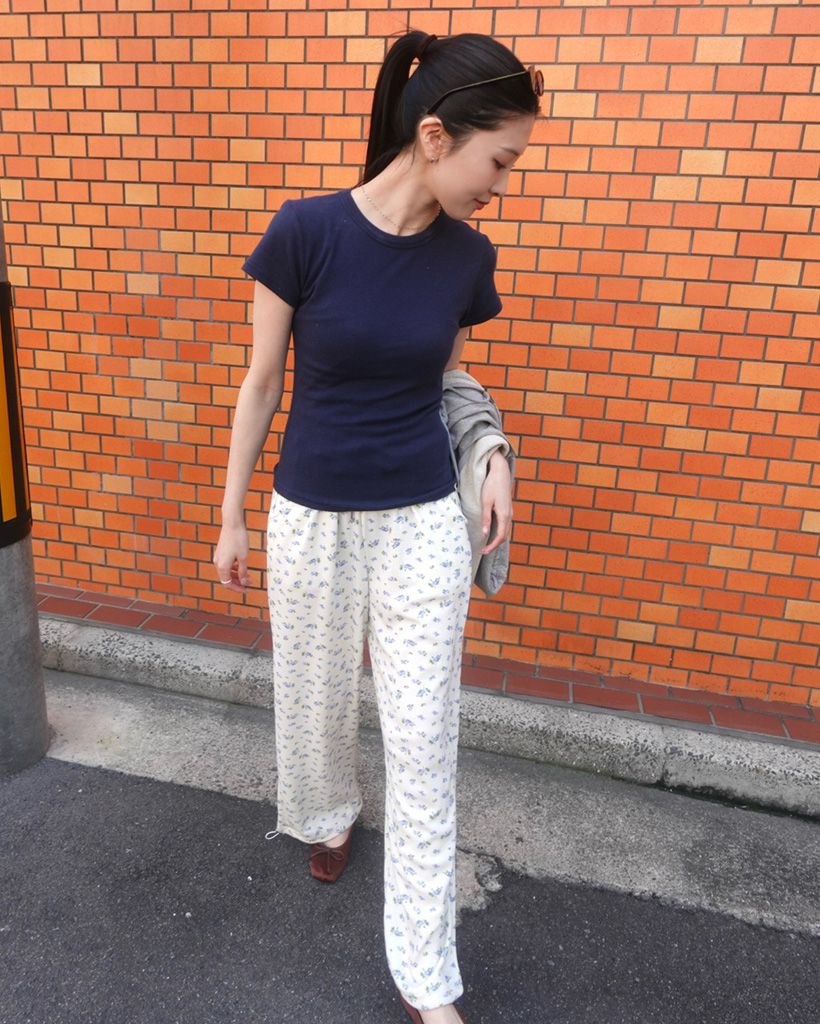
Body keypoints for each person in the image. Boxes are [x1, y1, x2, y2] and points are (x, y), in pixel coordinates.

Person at [213, 29, 541, 1024]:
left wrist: (490, 453)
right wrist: (230, 514)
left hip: (419, 522)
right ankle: (325, 812)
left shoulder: (466, 257)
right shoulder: (305, 232)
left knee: (425, 742)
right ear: (436, 136)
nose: (502, 185)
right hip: (310, 516)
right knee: (314, 703)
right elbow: (262, 382)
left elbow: (446, 379)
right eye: (500, 162)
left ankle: (426, 977)